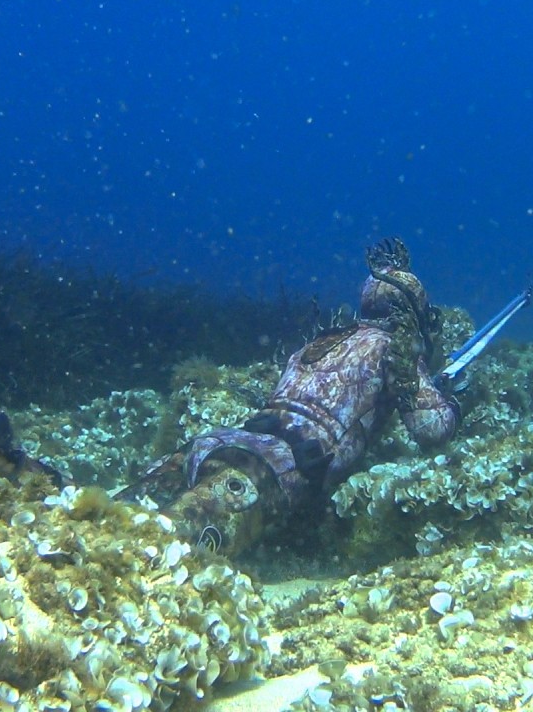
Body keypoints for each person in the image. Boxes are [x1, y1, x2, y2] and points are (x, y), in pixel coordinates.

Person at [116, 238, 461, 555]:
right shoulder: (396, 350)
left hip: (225, 441)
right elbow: (430, 428)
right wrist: (451, 402)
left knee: (113, 524)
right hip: (288, 466)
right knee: (164, 550)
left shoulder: (325, 337)